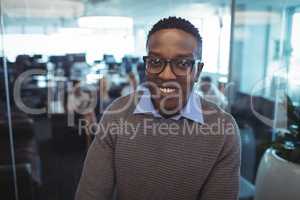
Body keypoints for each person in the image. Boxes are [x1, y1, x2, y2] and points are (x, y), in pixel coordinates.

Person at [75, 16, 241, 200]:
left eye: (183, 63)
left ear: (198, 71)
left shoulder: (223, 130)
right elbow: (90, 194)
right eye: (155, 61)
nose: (166, 74)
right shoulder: (118, 114)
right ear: (146, 66)